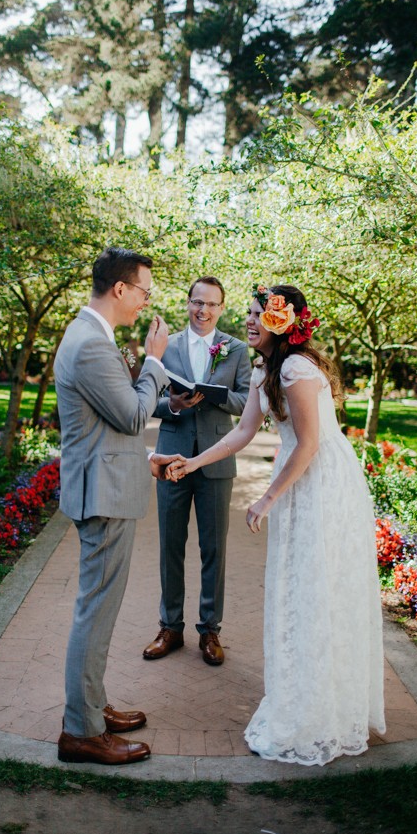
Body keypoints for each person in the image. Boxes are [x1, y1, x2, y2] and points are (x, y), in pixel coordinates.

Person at [167, 284, 385, 765]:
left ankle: (323, 710)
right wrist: (193, 461)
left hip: (321, 487)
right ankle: (305, 700)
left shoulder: (294, 368)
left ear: (281, 322)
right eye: (246, 313)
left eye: (255, 314)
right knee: (300, 594)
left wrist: (265, 499)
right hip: (299, 484)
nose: (247, 321)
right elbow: (243, 432)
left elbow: (308, 444)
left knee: (315, 592)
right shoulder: (267, 368)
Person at [53, 247, 182, 766]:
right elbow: (130, 415)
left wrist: (146, 458)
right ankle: (81, 731)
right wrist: (155, 361)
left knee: (98, 609)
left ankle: (89, 706)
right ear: (121, 289)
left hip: (107, 483)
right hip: (102, 498)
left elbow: (107, 425)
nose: (147, 302)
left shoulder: (89, 337)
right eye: (145, 291)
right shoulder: (90, 345)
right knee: (96, 611)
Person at [143, 277, 252, 666]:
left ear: (221, 308)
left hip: (216, 461)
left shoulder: (237, 350)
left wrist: (217, 398)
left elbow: (246, 400)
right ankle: (170, 627)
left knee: (214, 549)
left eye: (210, 304)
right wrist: (171, 404)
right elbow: (144, 397)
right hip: (170, 460)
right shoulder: (165, 347)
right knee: (171, 546)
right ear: (187, 304)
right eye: (196, 303)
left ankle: (210, 631)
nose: (202, 310)